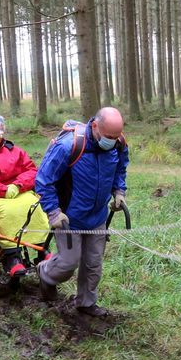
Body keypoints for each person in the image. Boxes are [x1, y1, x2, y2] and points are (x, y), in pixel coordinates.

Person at [35, 107, 129, 317]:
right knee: (68, 263)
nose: (112, 141)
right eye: (108, 137)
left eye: (116, 137)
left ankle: (86, 303)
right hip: (69, 217)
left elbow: (120, 168)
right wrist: (53, 212)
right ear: (95, 126)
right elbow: (43, 180)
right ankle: (45, 273)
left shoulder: (118, 144)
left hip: (97, 217)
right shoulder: (69, 146)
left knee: (93, 264)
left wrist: (119, 190)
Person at [0, 114, 49, 276]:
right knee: (7, 213)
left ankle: (42, 249)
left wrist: (18, 185)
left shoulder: (15, 151)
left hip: (18, 191)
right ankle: (12, 256)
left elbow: (31, 170)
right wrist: (1, 189)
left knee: (35, 207)